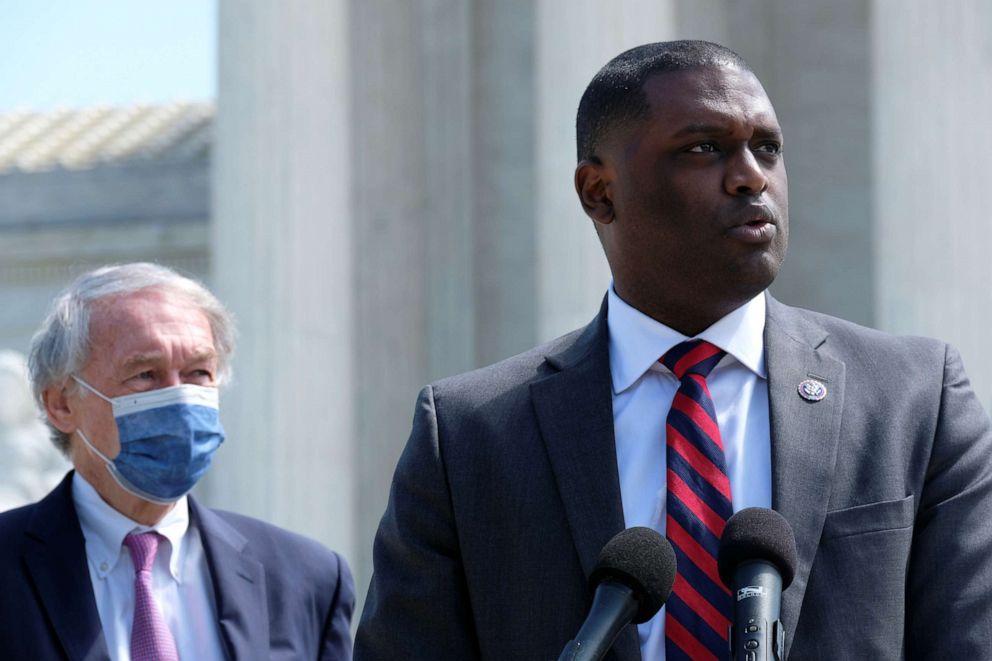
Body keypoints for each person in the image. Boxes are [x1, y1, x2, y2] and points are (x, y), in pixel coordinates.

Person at [355, 40, 992, 660]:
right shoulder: (470, 438)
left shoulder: (915, 399)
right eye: (704, 149)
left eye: (767, 149)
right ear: (598, 192)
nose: (750, 177)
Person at [0, 263, 355, 660]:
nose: (180, 398)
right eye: (145, 374)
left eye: (199, 373)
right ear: (61, 403)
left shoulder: (304, 578)